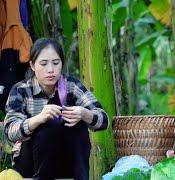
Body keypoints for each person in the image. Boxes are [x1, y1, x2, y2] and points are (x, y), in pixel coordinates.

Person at [3, 38, 109, 179]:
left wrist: (84, 114)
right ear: (32, 66)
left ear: (62, 64)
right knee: (48, 126)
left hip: (64, 161)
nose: (50, 70)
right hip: (30, 164)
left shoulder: (71, 85)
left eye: (55, 63)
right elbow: (10, 131)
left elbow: (104, 120)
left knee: (78, 125)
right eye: (44, 64)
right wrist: (38, 119)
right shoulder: (21, 90)